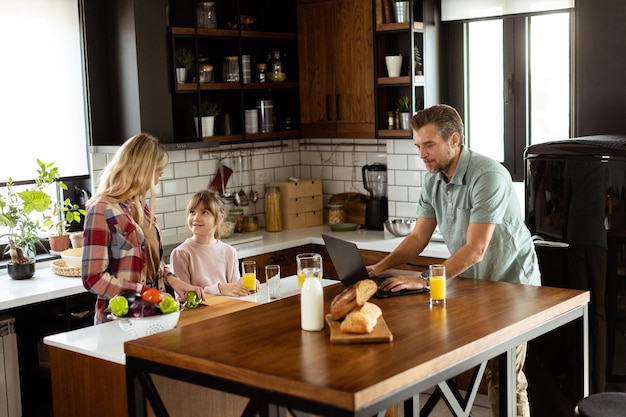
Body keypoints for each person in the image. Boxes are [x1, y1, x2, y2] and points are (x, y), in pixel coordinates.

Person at [367, 104, 541, 417]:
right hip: (474, 286)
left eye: (429, 145)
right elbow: (418, 238)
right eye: (418, 145)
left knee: (504, 378)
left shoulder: (488, 176)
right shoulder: (432, 181)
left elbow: (476, 249)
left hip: (513, 287)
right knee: (453, 361)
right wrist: (378, 268)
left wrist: (421, 280)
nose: (422, 154)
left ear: (455, 140)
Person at [81, 133, 204, 324]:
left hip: (153, 312)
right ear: (142, 170)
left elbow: (149, 262)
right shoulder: (101, 210)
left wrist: (172, 280)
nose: (156, 182)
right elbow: (92, 279)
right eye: (157, 174)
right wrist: (142, 292)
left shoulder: (139, 206)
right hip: (121, 320)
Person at [170, 190, 252, 296]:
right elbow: (184, 296)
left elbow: (235, 288)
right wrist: (218, 289)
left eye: (204, 212)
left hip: (228, 309)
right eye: (192, 212)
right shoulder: (181, 253)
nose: (196, 218)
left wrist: (247, 284)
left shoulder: (229, 252)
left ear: (219, 219)